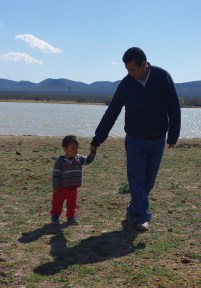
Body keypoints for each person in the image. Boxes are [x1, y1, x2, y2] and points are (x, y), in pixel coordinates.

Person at [90, 47, 181, 231]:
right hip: (134, 139)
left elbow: (174, 106)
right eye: (127, 70)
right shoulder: (126, 83)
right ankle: (142, 216)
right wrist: (98, 139)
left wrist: (173, 135)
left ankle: (133, 209)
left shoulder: (163, 77)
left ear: (144, 64)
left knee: (149, 180)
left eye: (133, 69)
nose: (130, 74)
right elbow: (112, 111)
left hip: (157, 138)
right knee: (137, 178)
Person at [50, 135, 96, 225]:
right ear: (65, 148)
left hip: (73, 188)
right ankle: (55, 216)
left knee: (72, 204)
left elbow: (89, 160)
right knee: (57, 203)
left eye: (77, 148)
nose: (75, 150)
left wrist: (93, 152)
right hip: (61, 189)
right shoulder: (60, 161)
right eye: (73, 148)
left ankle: (71, 217)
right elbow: (55, 174)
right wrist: (55, 186)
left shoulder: (79, 159)